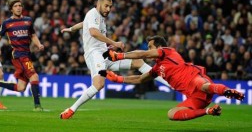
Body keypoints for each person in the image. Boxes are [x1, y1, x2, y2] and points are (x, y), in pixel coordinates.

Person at [59, 0, 169, 119]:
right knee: (99, 84)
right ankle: (71, 109)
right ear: (99, 4)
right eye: (106, 6)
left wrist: (71, 28)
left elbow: (83, 24)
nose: (108, 9)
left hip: (104, 53)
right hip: (94, 54)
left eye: (110, 7)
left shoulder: (98, 18)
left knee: (138, 61)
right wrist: (114, 43)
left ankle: (168, 82)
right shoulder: (93, 13)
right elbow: (93, 32)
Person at [101, 35, 245, 121]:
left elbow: (143, 54)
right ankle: (209, 111)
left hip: (195, 79)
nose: (148, 49)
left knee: (203, 85)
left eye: (150, 46)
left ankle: (227, 91)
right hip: (194, 98)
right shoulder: (157, 68)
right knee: (171, 114)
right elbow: (139, 79)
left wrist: (120, 56)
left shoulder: (167, 52)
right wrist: (118, 79)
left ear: (158, 47)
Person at [0, 0, 44, 111]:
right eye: (16, 6)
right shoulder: (7, 23)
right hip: (18, 55)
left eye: (20, 6)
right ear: (11, 9)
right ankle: (37, 106)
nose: (18, 8)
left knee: (21, 88)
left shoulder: (28, 20)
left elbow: (33, 35)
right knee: (34, 76)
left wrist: (39, 44)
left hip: (27, 54)